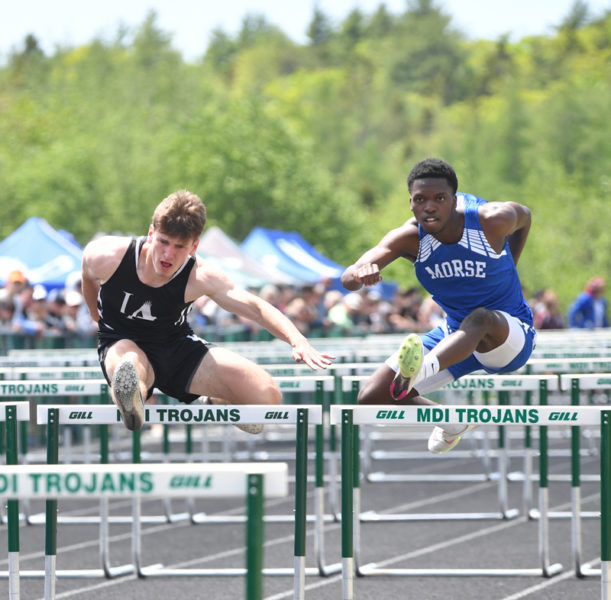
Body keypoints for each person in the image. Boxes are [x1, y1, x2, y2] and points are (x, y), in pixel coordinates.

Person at [81, 190, 335, 432]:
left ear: (193, 247)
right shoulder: (106, 255)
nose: (168, 254)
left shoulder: (201, 275)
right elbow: (88, 276)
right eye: (163, 242)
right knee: (130, 366)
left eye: (180, 247)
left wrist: (297, 340)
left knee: (266, 395)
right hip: (122, 341)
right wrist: (97, 317)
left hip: (175, 347)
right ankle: (132, 399)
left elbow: (255, 308)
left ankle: (214, 401)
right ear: (151, 234)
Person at [341, 158, 536, 454]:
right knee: (371, 397)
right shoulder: (408, 239)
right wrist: (359, 274)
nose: (429, 207)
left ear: (453, 200)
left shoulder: (492, 220)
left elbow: (526, 216)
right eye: (420, 200)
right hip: (455, 338)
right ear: (410, 204)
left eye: (439, 199)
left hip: (508, 336)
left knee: (481, 318)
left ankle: (417, 372)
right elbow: (347, 278)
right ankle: (452, 422)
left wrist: (511, 261)